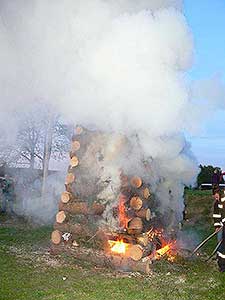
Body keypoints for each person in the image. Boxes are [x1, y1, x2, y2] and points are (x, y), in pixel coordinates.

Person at [213, 190, 225, 272]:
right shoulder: (216, 203)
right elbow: (216, 215)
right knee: (220, 242)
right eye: (215, 196)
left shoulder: (223, 201)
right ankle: (220, 261)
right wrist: (217, 225)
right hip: (221, 226)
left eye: (217, 196)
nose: (216, 197)